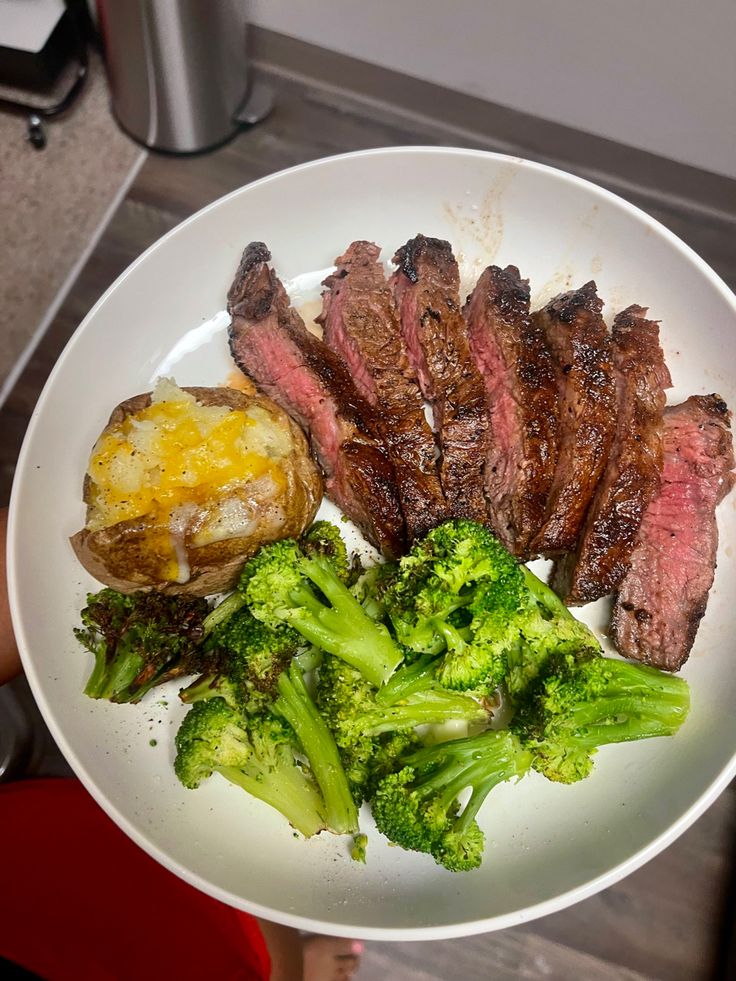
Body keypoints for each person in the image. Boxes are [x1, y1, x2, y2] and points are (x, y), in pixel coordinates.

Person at [0, 508, 362, 981]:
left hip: (30, 834)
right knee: (270, 956)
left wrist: (29, 550)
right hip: (205, 940)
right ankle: (300, 959)